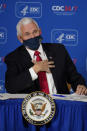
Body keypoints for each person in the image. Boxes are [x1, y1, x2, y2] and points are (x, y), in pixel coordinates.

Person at [5, 17, 87, 95]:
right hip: (33, 105)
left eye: (35, 32)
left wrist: (80, 86)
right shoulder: (13, 58)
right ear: (20, 38)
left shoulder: (59, 50)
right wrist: (35, 69)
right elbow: (11, 87)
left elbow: (74, 77)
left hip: (61, 103)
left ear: (40, 31)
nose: (33, 36)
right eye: (27, 34)